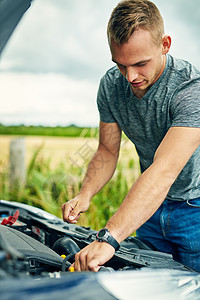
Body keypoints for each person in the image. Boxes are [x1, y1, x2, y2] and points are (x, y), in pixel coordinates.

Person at [62, 0, 200, 272]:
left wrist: (109, 237)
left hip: (194, 211)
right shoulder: (111, 85)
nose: (130, 76)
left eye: (140, 63)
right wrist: (86, 194)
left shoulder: (190, 89)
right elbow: (107, 150)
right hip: (147, 209)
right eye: (121, 65)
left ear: (165, 44)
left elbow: (165, 169)